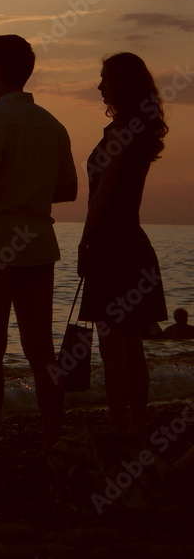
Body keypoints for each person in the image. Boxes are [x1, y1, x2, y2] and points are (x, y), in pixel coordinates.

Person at [0, 35, 77, 452]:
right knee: (41, 350)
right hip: (39, 246)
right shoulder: (51, 124)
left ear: (1, 69)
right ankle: (53, 435)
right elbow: (67, 190)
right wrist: (30, 188)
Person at [77, 52, 168, 436]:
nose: (100, 86)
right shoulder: (142, 132)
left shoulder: (119, 134)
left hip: (113, 245)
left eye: (105, 79)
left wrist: (84, 241)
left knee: (112, 345)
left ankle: (119, 425)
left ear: (123, 85)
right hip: (135, 242)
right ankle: (137, 424)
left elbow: (103, 195)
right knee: (132, 344)